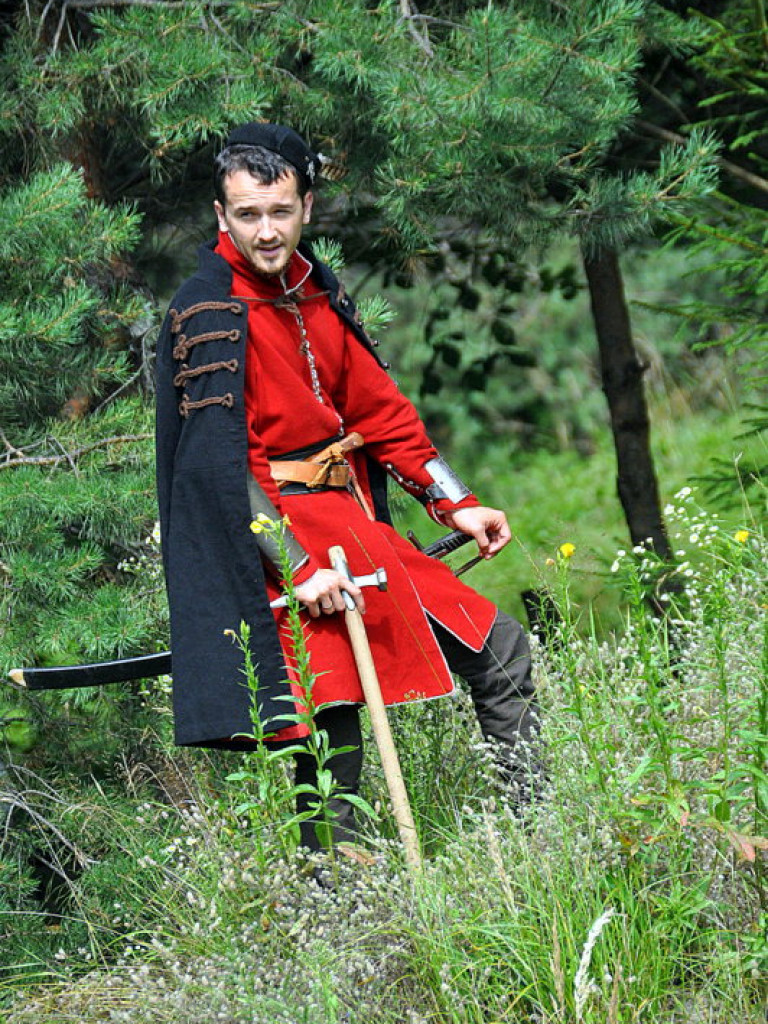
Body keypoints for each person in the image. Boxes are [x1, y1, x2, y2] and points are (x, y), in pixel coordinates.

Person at [155, 123, 539, 849]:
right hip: (287, 544)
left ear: (306, 206)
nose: (266, 233)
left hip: (359, 532)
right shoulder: (206, 311)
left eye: (280, 212)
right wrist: (295, 568)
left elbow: (382, 415)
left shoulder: (314, 290)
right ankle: (341, 917)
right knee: (331, 729)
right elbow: (217, 468)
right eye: (247, 215)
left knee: (501, 651)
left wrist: (454, 502)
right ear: (220, 215)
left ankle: (537, 842)